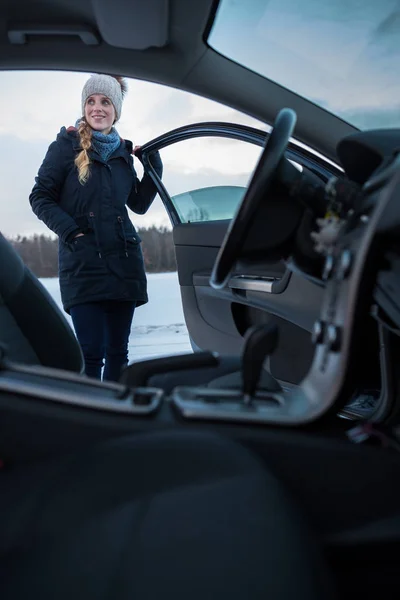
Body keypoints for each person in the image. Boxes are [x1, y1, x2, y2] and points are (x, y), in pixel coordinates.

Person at [29, 74, 163, 381]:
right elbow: (40, 197)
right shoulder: (65, 146)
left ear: (116, 110)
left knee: (119, 353)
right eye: (91, 101)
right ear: (84, 106)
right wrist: (71, 231)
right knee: (90, 354)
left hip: (123, 262)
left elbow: (138, 205)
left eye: (105, 102)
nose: (97, 108)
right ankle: (88, 420)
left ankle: (114, 417)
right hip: (83, 264)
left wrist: (153, 166)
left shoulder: (123, 155)